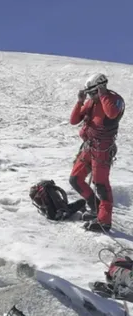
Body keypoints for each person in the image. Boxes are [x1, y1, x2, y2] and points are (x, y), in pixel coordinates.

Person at [69, 73, 125, 232]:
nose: (91, 96)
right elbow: (74, 120)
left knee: (101, 185)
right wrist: (80, 101)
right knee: (75, 179)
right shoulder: (90, 103)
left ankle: (104, 221)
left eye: (93, 92)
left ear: (101, 88)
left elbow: (112, 114)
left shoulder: (114, 100)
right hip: (88, 147)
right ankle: (96, 209)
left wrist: (103, 95)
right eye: (89, 93)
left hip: (102, 150)